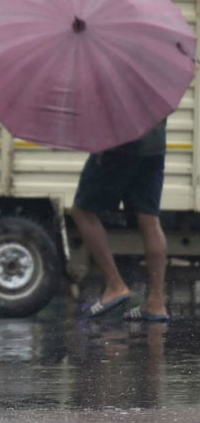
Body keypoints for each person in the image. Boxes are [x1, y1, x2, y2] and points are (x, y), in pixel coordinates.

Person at [72, 120, 169, 321]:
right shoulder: (156, 86)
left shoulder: (116, 86)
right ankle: (156, 303)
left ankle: (115, 285)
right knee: (150, 221)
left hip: (120, 143)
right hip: (154, 144)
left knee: (83, 211)